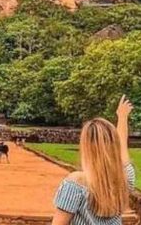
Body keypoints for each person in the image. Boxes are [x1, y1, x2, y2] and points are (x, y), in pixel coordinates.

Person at [51, 95, 135, 225]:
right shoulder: (125, 178)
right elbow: (122, 145)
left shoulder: (75, 183)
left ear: (86, 147)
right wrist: (122, 117)